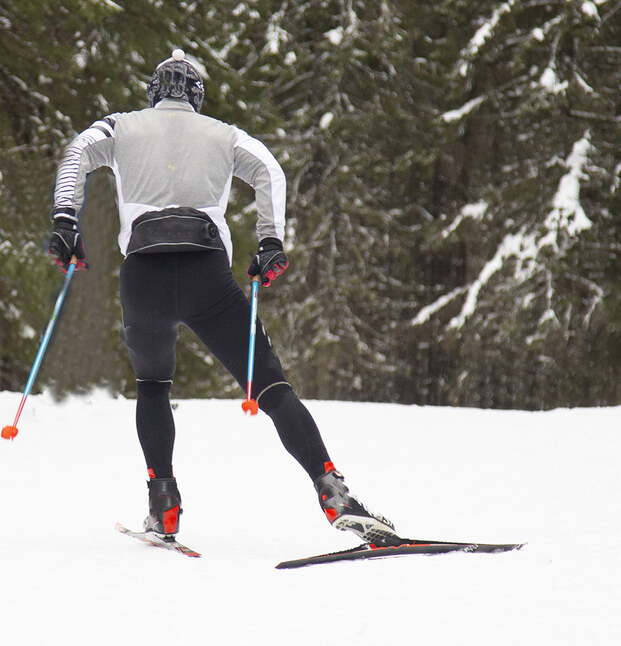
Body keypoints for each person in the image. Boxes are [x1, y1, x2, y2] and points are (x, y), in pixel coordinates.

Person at [46, 49, 397, 545]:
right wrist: (270, 239)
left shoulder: (120, 127)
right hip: (206, 277)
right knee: (271, 386)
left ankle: (162, 504)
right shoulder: (224, 134)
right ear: (196, 97)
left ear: (154, 92)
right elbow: (269, 171)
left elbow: (77, 151)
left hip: (142, 277)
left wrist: (65, 222)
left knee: (152, 386)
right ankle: (332, 492)